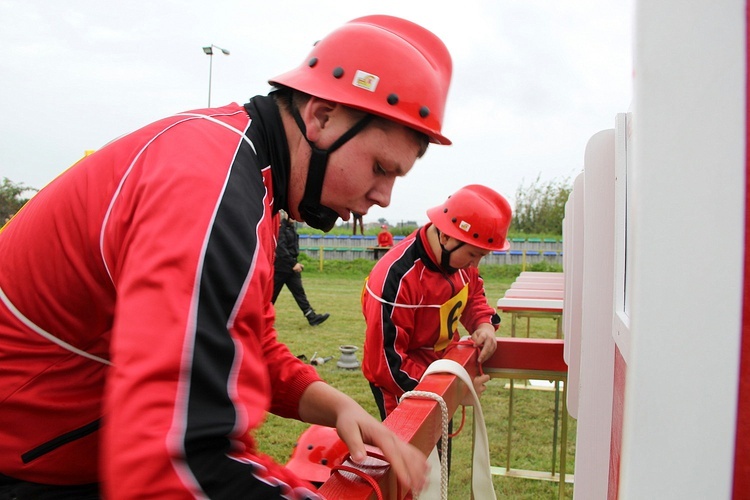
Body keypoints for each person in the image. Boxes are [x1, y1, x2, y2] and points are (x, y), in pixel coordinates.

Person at [0, 15, 453, 499]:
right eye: (381, 168)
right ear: (321, 117)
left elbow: (245, 343)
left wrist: (338, 406)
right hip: (29, 465)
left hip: (63, 451)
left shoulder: (248, 179)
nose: (383, 197)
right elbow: (176, 460)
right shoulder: (210, 188)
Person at [362, 185, 512, 421]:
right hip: (403, 389)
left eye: (481, 257)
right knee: (415, 457)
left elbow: (473, 295)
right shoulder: (395, 278)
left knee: (441, 455)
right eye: (473, 255)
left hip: (443, 374)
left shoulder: (458, 258)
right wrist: (451, 393)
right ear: (445, 236)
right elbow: (387, 366)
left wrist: (483, 324)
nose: (475, 265)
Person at [273, 210, 329, 326]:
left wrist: (295, 263)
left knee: (299, 293)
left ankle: (312, 317)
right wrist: (293, 264)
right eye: (291, 215)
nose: (293, 218)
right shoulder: (281, 228)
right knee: (271, 295)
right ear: (286, 215)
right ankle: (259, 317)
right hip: (282, 268)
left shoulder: (292, 228)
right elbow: (281, 249)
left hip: (292, 267)